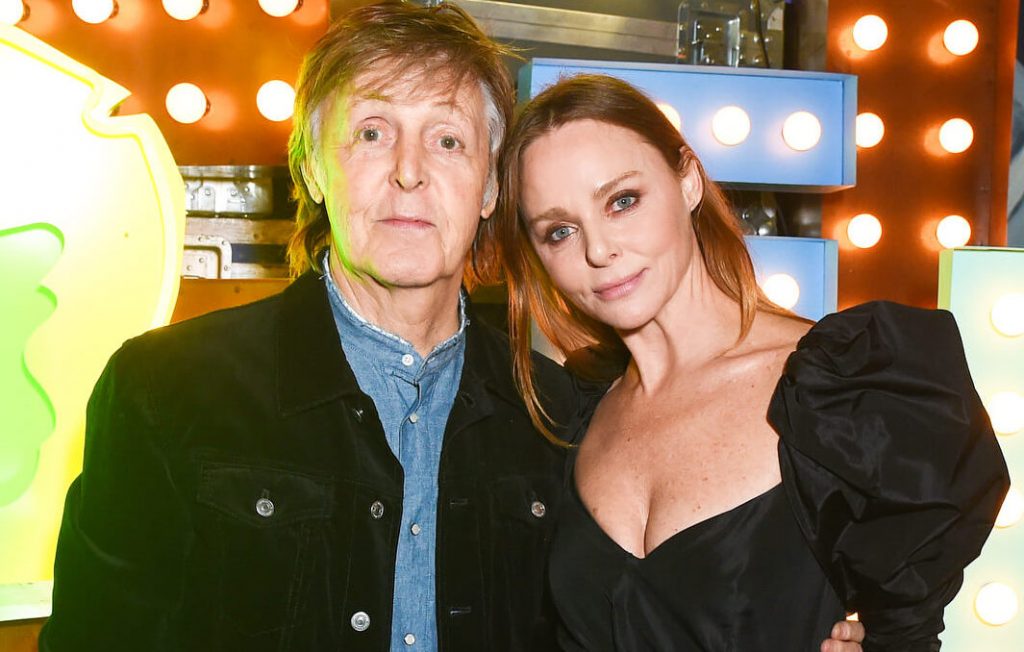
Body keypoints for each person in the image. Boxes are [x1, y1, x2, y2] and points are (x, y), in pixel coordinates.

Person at [40, 3, 868, 651]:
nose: (408, 172)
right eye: (372, 133)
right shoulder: (168, 389)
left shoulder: (562, 416)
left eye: (447, 140)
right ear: (313, 168)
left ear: (488, 191)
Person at [491, 73, 1010, 651]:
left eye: (623, 201)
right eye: (559, 231)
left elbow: (905, 630)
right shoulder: (567, 416)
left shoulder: (844, 388)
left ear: (688, 181)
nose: (598, 250)